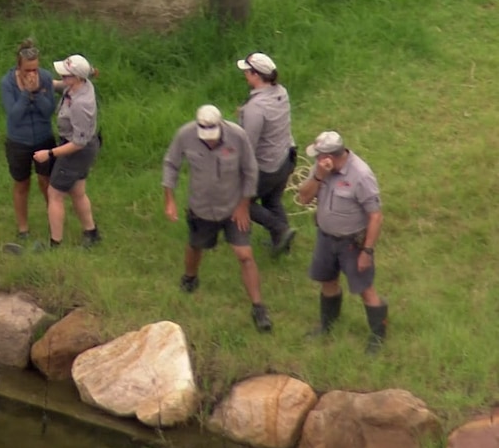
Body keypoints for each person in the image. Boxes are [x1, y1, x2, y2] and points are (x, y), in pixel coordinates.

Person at [162, 105, 272, 332]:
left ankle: (258, 307)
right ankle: (190, 277)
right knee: (195, 245)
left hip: (233, 209)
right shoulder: (185, 134)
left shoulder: (237, 136)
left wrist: (244, 206)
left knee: (244, 255)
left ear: (221, 125)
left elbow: (251, 170)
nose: (210, 141)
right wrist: (169, 199)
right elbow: (171, 164)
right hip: (201, 208)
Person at [296, 131, 386, 353]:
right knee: (327, 281)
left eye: (319, 156)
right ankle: (328, 326)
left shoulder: (361, 175)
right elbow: (303, 197)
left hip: (352, 244)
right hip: (325, 238)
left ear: (331, 156)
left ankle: (378, 335)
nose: (316, 160)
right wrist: (318, 176)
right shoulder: (320, 170)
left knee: (366, 289)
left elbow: (376, 216)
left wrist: (367, 251)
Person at [32, 54, 101, 248]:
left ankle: (55, 243)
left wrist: (50, 153)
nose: (62, 78)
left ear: (77, 77)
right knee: (77, 191)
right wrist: (45, 82)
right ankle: (91, 233)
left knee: (55, 194)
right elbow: (61, 86)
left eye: (65, 75)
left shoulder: (81, 105)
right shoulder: (79, 85)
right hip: (81, 147)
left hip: (76, 150)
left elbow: (78, 143)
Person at [236, 52, 298, 257]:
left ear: (256, 75)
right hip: (286, 159)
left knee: (239, 202)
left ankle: (280, 230)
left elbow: (248, 146)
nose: (245, 74)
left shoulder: (255, 108)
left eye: (247, 71)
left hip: (267, 168)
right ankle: (283, 244)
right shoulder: (281, 92)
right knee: (272, 201)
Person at [0, 39, 59, 240]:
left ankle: (54, 221)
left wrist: (38, 93)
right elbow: (14, 115)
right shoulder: (7, 83)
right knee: (22, 184)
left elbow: (48, 111)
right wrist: (26, 94)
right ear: (19, 67)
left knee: (47, 182)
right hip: (19, 141)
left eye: (35, 69)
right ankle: (23, 228)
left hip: (43, 138)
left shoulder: (46, 78)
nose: (32, 74)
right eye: (27, 71)